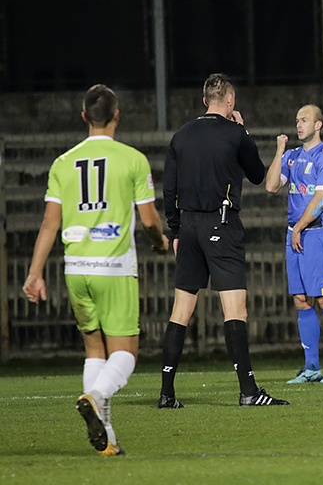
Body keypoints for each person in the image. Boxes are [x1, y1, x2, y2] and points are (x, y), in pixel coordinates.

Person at [23, 84, 169, 455]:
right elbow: (149, 219)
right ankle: (96, 395)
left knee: (94, 349)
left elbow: (49, 224)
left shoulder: (62, 162)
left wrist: (35, 272)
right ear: (117, 115)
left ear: (85, 117)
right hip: (114, 267)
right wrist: (160, 241)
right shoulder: (132, 159)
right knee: (126, 352)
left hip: (76, 268)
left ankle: (107, 438)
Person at [159, 73, 288, 407]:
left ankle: (166, 393)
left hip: (188, 227)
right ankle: (248, 392)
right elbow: (259, 176)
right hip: (222, 223)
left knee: (180, 310)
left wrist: (175, 231)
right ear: (230, 100)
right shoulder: (235, 134)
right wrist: (242, 131)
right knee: (235, 309)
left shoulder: (181, 136)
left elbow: (168, 191)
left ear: (205, 100)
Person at [265, 105, 323, 383]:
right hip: (294, 234)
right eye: (297, 120)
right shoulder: (293, 156)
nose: (299, 125)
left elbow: (322, 198)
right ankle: (311, 367)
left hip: (315, 234)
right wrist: (279, 151)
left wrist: (299, 227)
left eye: (305, 120)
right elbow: (271, 186)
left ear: (319, 124)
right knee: (301, 300)